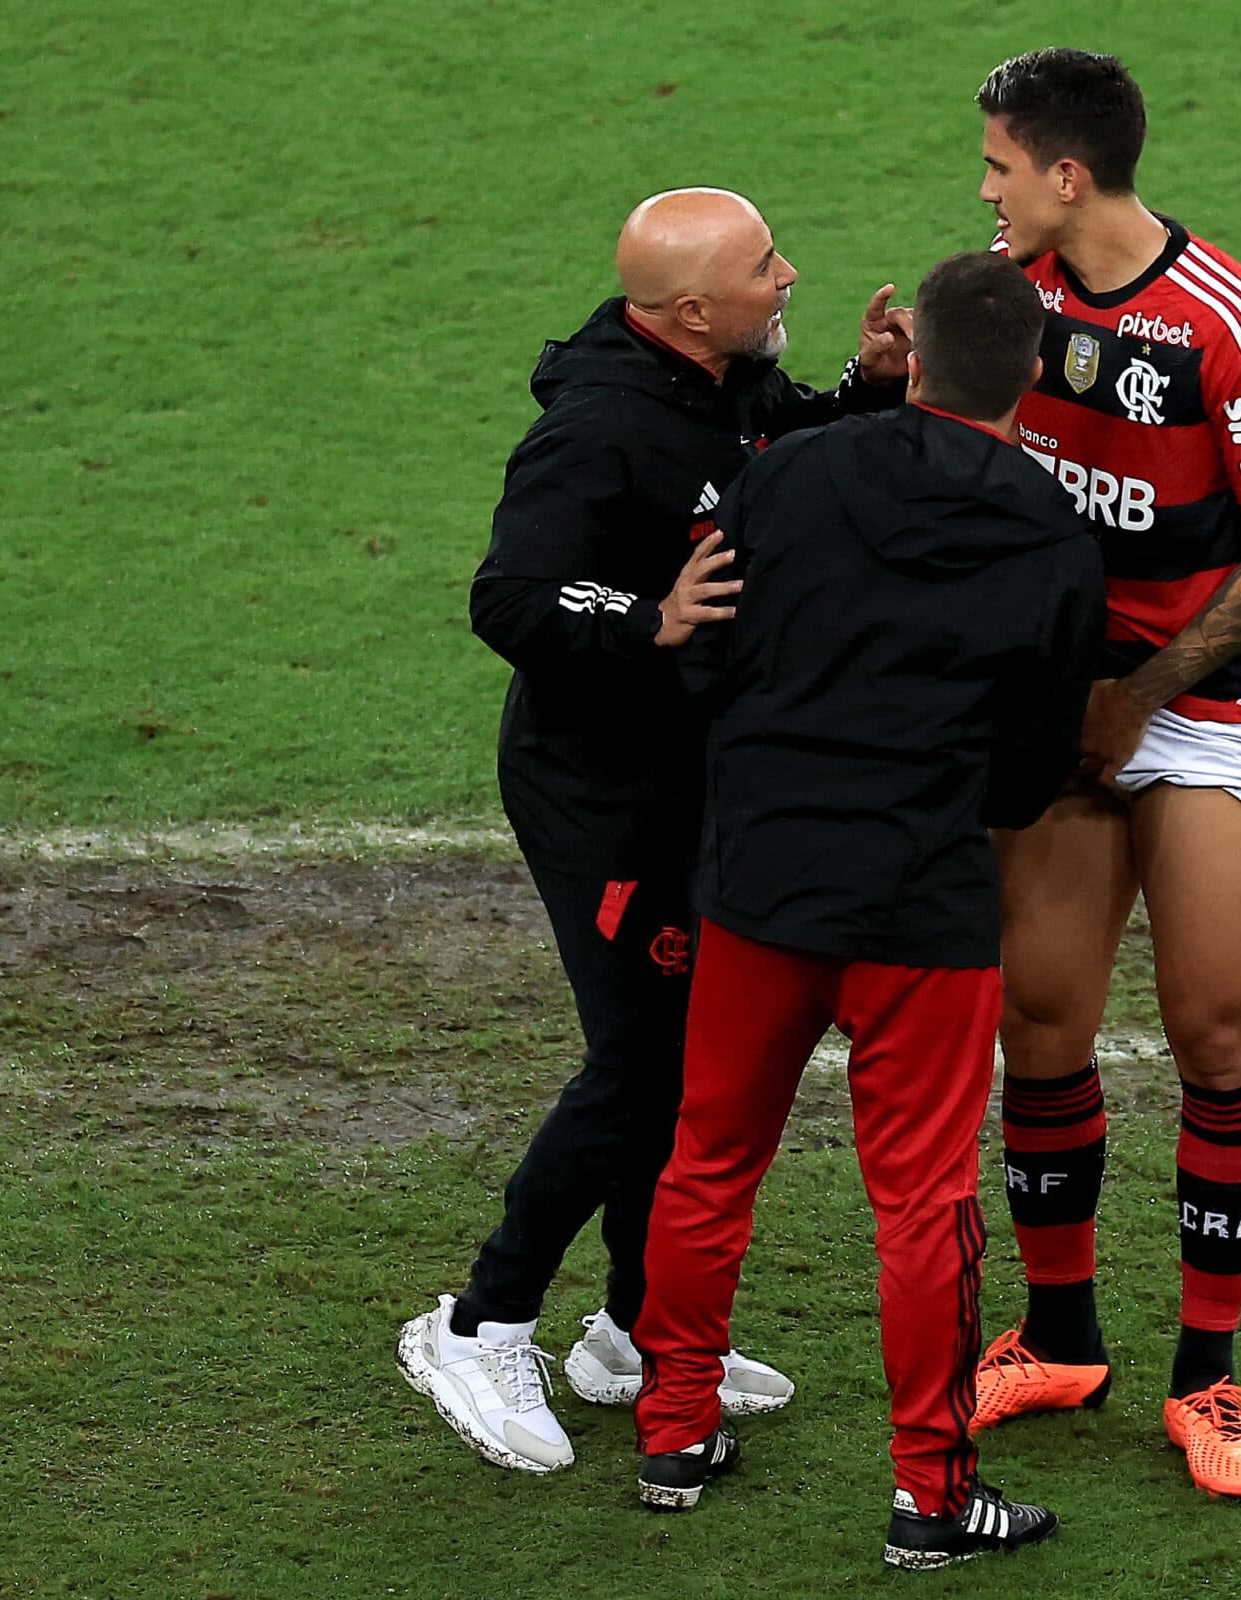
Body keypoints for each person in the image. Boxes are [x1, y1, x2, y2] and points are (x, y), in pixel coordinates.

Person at [395, 187, 917, 1474]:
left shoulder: (714, 378)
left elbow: (780, 443)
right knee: (639, 1065)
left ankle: (633, 1325)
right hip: (601, 794)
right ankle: (480, 1320)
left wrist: (869, 386)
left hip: (689, 779)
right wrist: (648, 616)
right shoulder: (598, 429)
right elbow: (509, 593)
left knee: (684, 1064)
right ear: (690, 309)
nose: (788, 274)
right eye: (763, 265)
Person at [628, 251, 1105, 1571]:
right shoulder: (1054, 535)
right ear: (1030, 379)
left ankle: (672, 1433)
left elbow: (706, 649)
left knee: (710, 1155)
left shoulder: (789, 471)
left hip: (763, 881)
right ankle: (931, 1499)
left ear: (920, 352)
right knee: (925, 1200)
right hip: (922, 899)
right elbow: (1031, 767)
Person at [965, 49, 1241, 1500]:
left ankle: (1206, 1377)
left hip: (1194, 703)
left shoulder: (1225, 322)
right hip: (1059, 698)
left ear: (1067, 173)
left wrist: (1140, 698)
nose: (983, 189)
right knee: (1040, 1016)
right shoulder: (1005, 299)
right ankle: (1060, 1336)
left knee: (1214, 1026)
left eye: (998, 164)